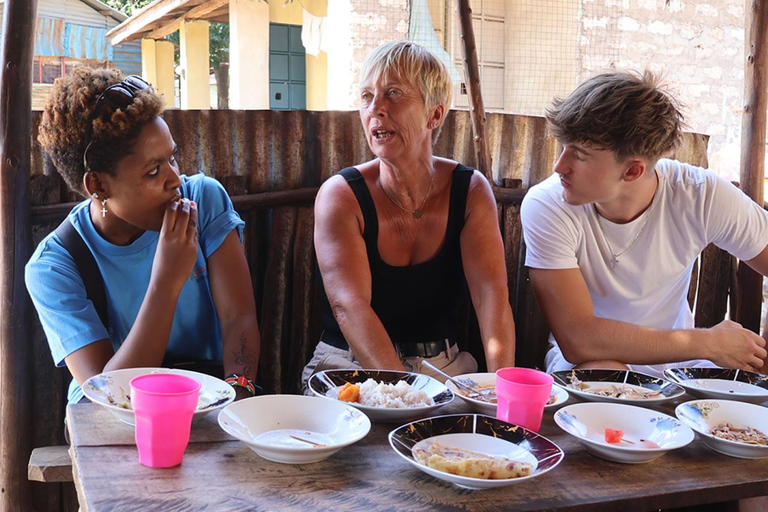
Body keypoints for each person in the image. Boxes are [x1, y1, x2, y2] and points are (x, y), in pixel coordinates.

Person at [26, 68, 261, 404]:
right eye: (154, 171)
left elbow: (239, 318)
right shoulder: (55, 267)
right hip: (114, 421)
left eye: (173, 158)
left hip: (207, 396)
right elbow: (109, 394)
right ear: (99, 186)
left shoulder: (204, 202)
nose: (175, 180)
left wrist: (237, 396)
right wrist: (165, 283)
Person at [521, 70, 768, 378]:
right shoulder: (547, 204)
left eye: (579, 155)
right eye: (564, 147)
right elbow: (579, 340)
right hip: (590, 365)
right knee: (605, 373)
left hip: (682, 369)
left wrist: (763, 366)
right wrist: (709, 343)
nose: (560, 166)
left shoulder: (700, 194)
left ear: (633, 171)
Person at [302, 41, 516, 390]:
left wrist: (501, 390)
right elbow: (349, 306)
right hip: (347, 363)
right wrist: (405, 395)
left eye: (394, 94)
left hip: (443, 367)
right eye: (367, 96)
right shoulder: (342, 195)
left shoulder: (470, 191)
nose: (376, 110)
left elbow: (491, 295)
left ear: (434, 114)